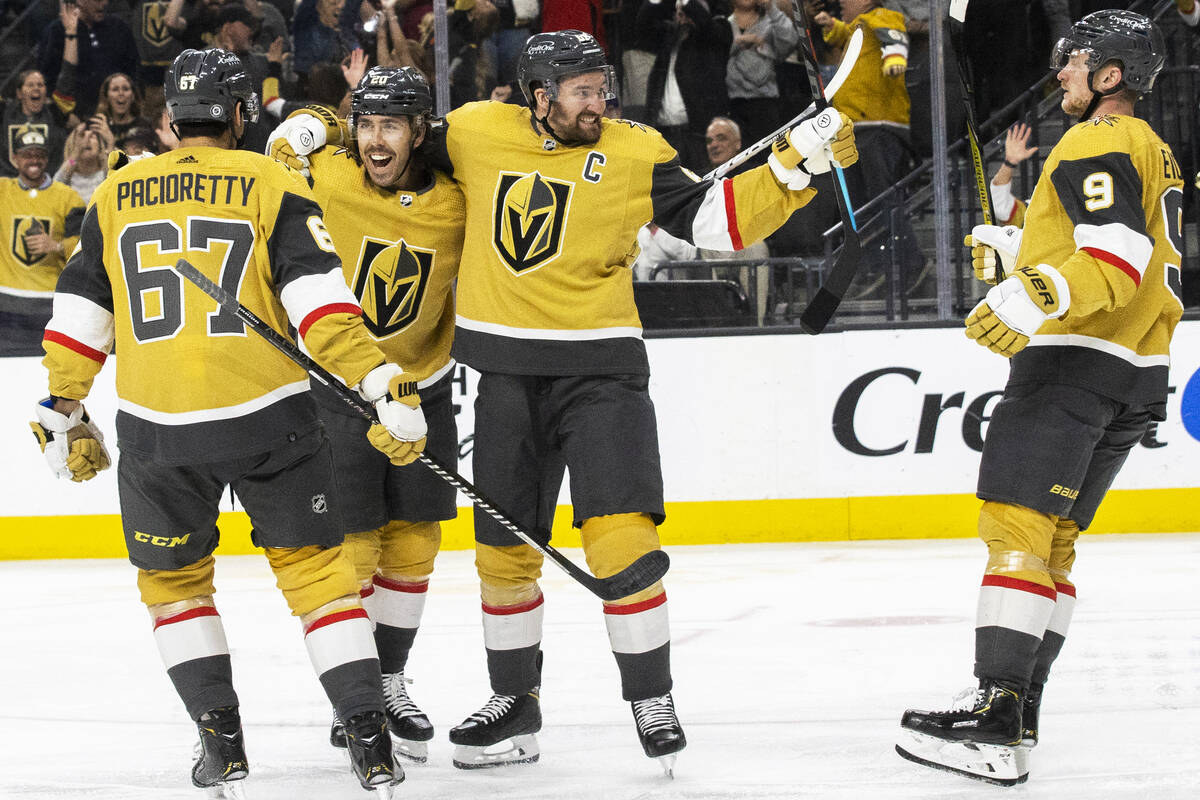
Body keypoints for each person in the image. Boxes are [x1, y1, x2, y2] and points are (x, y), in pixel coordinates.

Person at [281, 28, 857, 771]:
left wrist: (794, 166)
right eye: (583, 90)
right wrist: (320, 119)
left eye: (601, 87)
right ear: (540, 94)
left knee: (622, 540)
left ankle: (653, 697)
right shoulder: (477, 133)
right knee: (503, 553)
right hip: (504, 381)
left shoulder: (636, 149)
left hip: (603, 377)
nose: (599, 101)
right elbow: (392, 123)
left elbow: (715, 224)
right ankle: (515, 707)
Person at [31, 48, 425, 796]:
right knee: (318, 576)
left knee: (174, 585)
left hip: (158, 428)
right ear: (240, 115)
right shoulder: (268, 179)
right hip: (270, 418)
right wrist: (378, 381)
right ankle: (370, 742)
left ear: (172, 119)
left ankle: (222, 743)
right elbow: (321, 305)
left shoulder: (117, 192)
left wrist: (62, 404)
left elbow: (82, 313)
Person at [896, 11, 1183, 786]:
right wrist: (1023, 246)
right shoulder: (1154, 149)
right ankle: (1020, 708)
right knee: (1052, 543)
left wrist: (1034, 291)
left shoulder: (1094, 139)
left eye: (1075, 62)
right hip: (1135, 371)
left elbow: (1113, 256)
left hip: (1072, 368)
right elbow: (1127, 245)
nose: (1061, 72)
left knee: (1015, 528)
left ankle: (995, 713)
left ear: (1111, 75)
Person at [267, 65, 465, 763]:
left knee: (415, 544)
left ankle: (389, 682)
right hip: (336, 388)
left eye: (393, 126)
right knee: (353, 546)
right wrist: (315, 119)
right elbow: (282, 150)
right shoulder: (330, 174)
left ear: (419, 133)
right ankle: (353, 697)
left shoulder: (457, 202)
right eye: (368, 125)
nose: (378, 140)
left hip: (424, 387)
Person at [0, 126, 84, 356]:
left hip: (50, 307)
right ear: (15, 158)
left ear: (47, 159)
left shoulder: (68, 198)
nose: (34, 161)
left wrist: (56, 246)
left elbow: (84, 249)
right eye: (27, 155)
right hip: (6, 308)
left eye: (39, 155)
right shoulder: (2, 191)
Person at [38, 0, 139, 121]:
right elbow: (47, 79)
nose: (105, 3)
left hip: (117, 115)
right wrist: (64, 116)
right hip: (77, 118)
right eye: (98, 0)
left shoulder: (119, 27)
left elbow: (134, 70)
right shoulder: (57, 31)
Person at [1, 70, 71, 179]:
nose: (36, 88)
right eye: (30, 85)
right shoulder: (4, 113)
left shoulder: (55, 113)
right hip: (8, 186)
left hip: (48, 184)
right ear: (19, 93)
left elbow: (67, 77)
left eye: (40, 85)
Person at [53, 121, 111, 204]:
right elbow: (55, 187)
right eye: (82, 136)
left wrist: (110, 144)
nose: (87, 140)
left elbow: (113, 176)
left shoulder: (105, 174)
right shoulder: (68, 175)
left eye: (92, 137)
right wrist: (76, 153)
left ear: (100, 146)